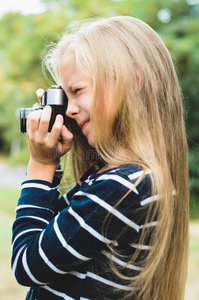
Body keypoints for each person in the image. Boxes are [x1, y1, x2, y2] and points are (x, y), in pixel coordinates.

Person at [11, 16, 189, 300]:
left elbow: (26, 264)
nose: (68, 111)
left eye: (77, 90)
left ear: (134, 78)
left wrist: (40, 166)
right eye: (64, 98)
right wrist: (51, 161)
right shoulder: (114, 177)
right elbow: (51, 233)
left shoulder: (123, 186)